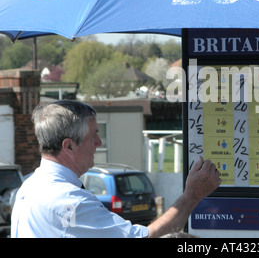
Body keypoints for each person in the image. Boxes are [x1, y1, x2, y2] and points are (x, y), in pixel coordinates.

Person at [11, 100, 221, 238]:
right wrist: (191, 196)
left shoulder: (28, 188)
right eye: (93, 135)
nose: (99, 142)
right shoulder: (70, 200)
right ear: (69, 146)